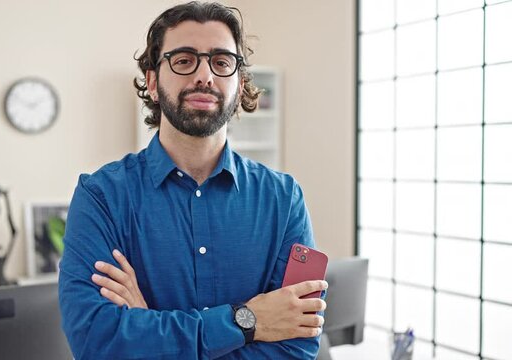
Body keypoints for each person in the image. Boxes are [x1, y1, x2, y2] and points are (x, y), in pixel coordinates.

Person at [59, 2, 328, 359]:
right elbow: (97, 343)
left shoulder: (283, 198)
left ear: (240, 83)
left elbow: (296, 347)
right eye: (184, 60)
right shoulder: (101, 197)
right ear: (153, 82)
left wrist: (148, 326)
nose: (205, 76)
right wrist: (249, 323)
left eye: (221, 62)